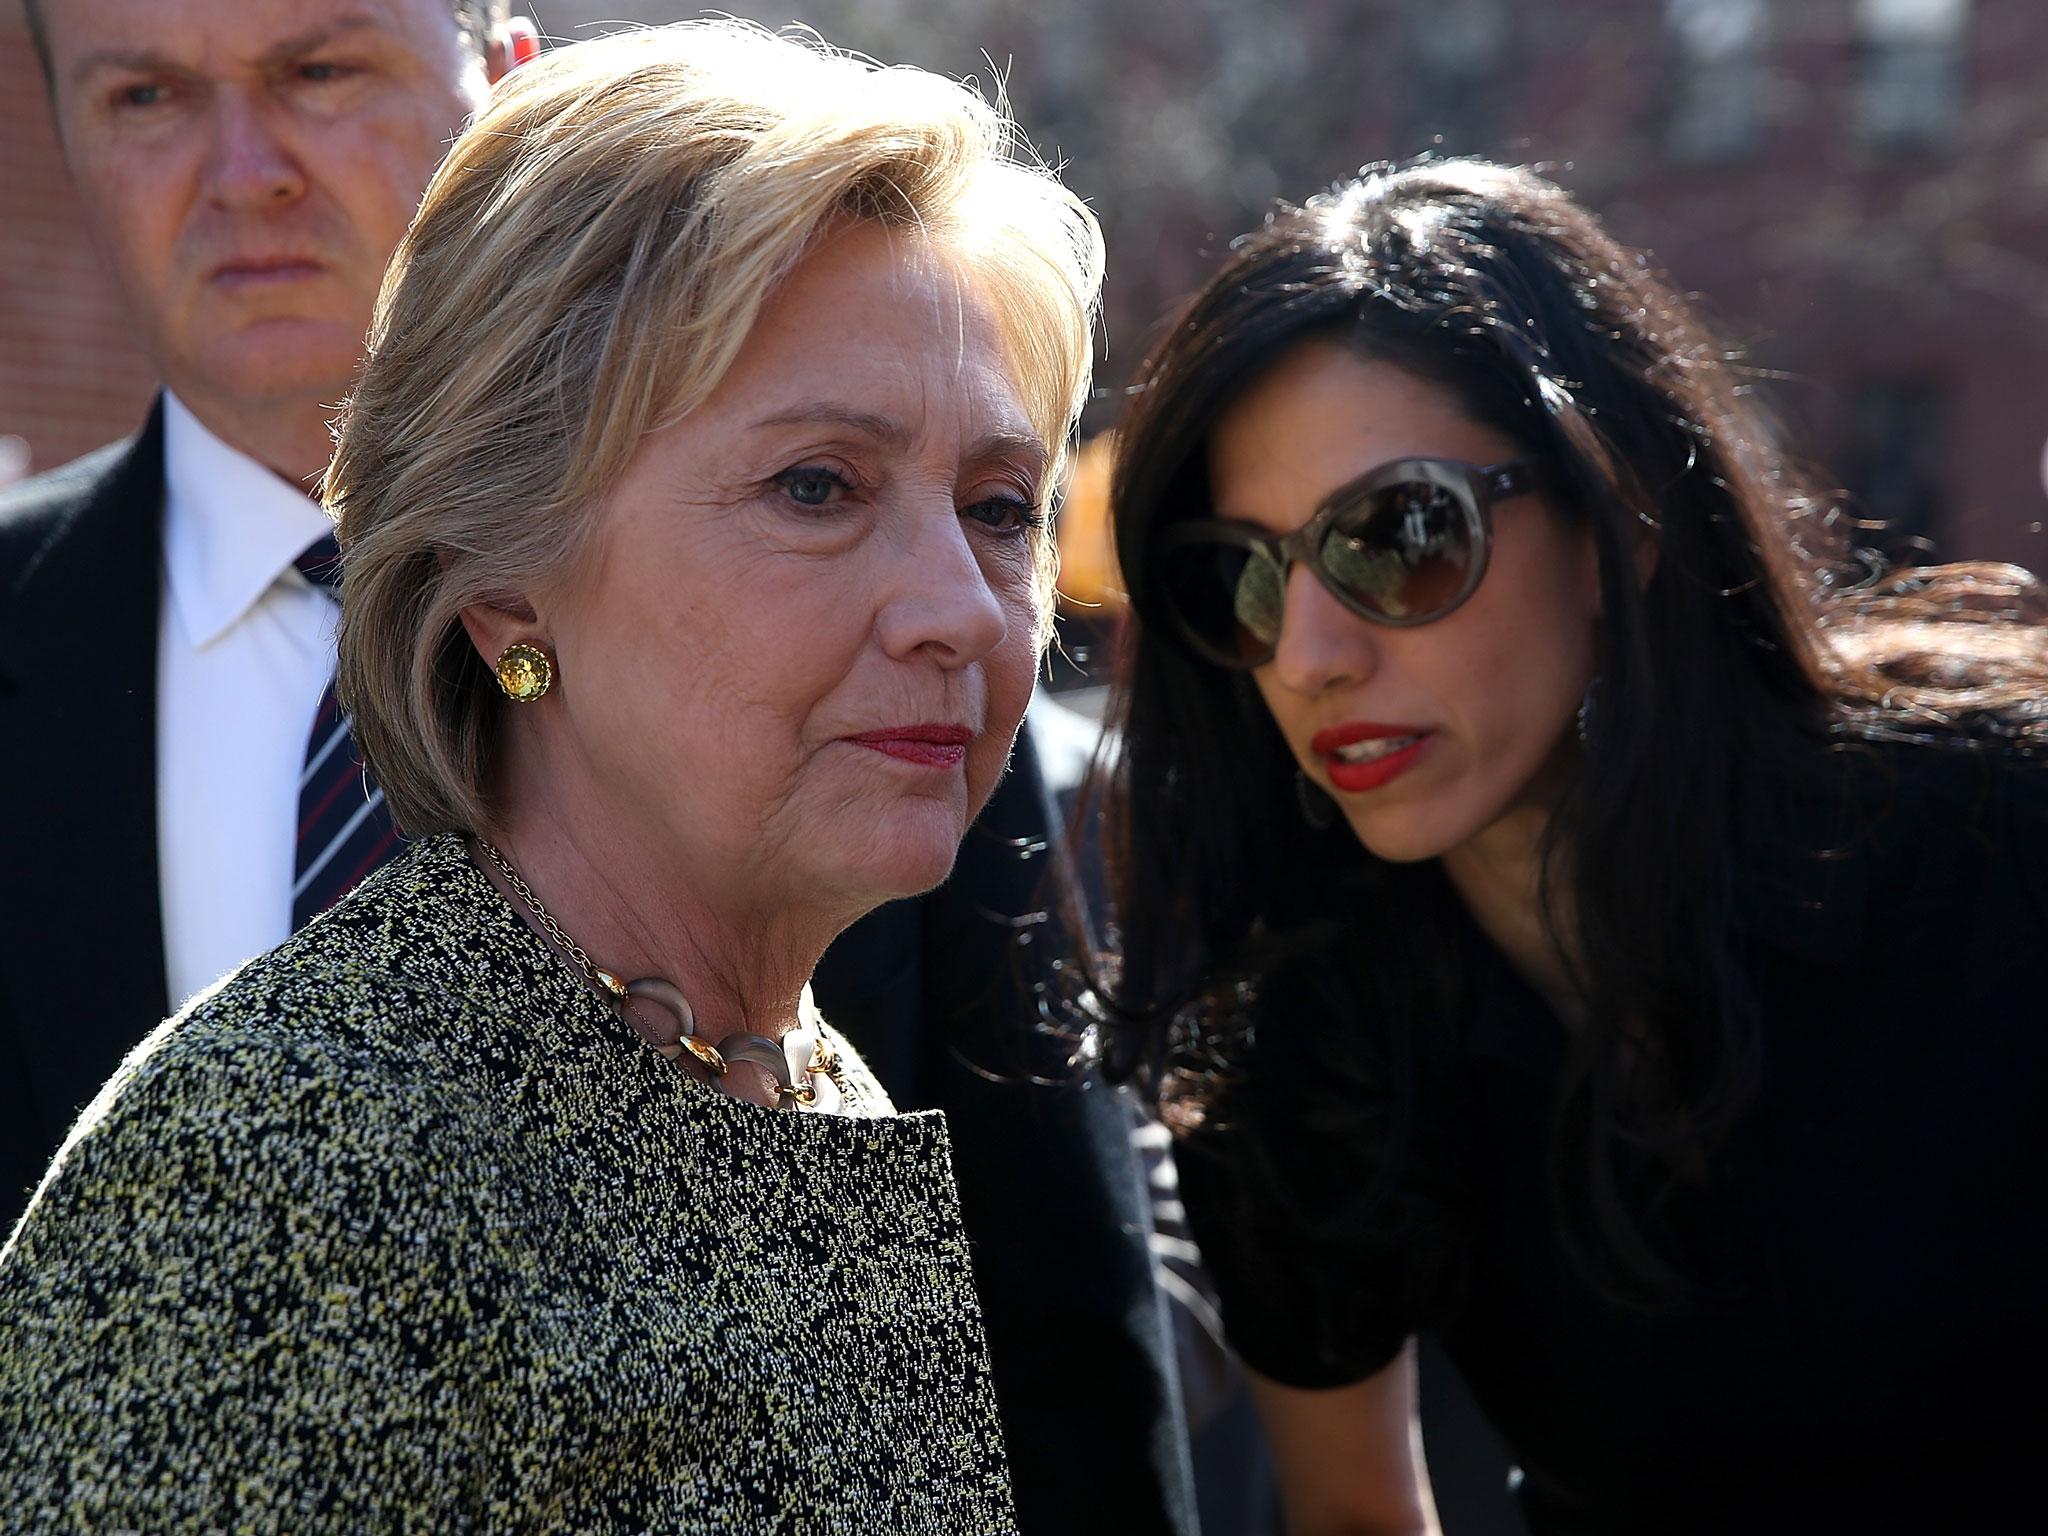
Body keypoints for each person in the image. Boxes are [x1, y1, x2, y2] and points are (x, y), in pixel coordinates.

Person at [0, 7, 1194, 1519]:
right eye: (817, 487)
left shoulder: (792, 1070)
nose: (961, 606)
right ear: (506, 581)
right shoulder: (267, 1167)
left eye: (1002, 507)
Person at [1087, 158, 2048, 1534]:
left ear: (1619, 520)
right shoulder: (1308, 1022)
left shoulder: (1998, 851)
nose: (1307, 658)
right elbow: (1358, 1520)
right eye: (1236, 576)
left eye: (1398, 535)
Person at [0, 0, 533, 1227]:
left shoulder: (828, 615)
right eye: (146, 96)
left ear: (503, 88)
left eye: (320, 71)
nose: (244, 174)